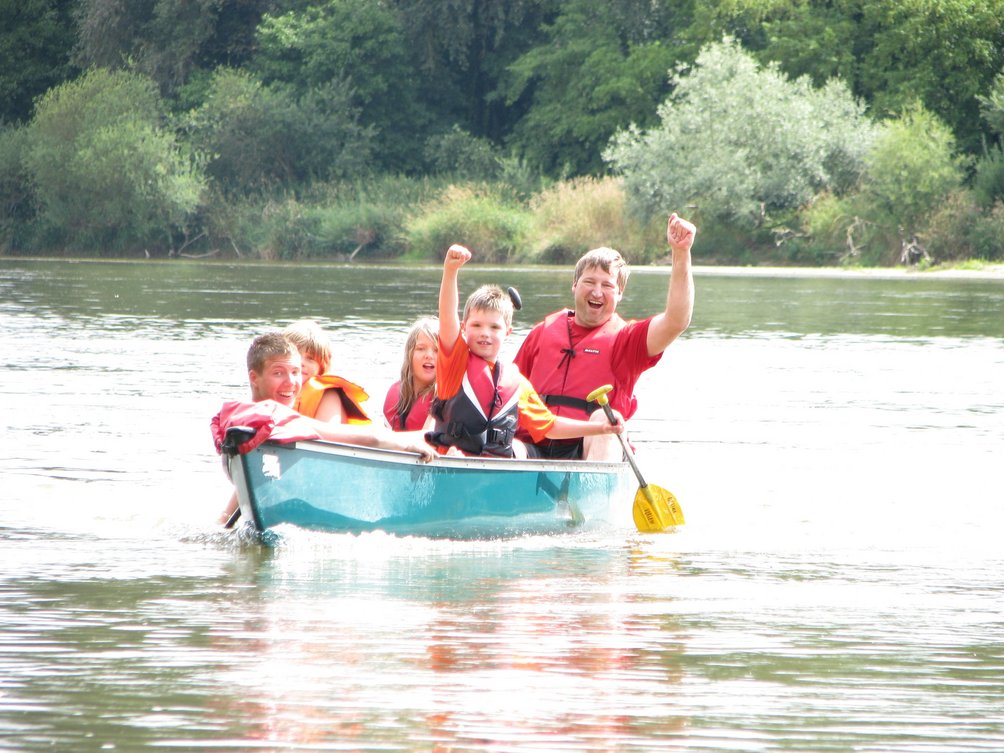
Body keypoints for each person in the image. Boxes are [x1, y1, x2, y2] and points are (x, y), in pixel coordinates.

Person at [512, 212, 696, 461]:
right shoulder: (542, 332)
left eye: (607, 285)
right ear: (575, 285)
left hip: (591, 450)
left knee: (603, 417)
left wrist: (681, 253)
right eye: (589, 282)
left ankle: (593, 497)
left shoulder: (628, 340)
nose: (597, 292)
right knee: (509, 445)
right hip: (534, 446)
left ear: (619, 293)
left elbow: (676, 320)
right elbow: (505, 389)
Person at [215, 331, 435, 524]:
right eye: (278, 372)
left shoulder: (252, 416)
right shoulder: (265, 417)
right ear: (254, 378)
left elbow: (365, 439)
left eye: (296, 372)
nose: (292, 381)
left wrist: (406, 443)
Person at [427, 244, 624, 459]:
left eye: (494, 327)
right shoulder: (455, 362)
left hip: (494, 469)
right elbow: (447, 317)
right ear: (464, 328)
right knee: (456, 454)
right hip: (454, 460)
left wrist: (600, 429)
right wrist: (450, 271)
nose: (485, 333)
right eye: (477, 326)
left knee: (516, 450)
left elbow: (549, 426)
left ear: (508, 332)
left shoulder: (515, 384)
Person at [283, 319, 371, 424]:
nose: (301, 362)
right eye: (294, 355)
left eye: (310, 358)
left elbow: (327, 434)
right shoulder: (274, 389)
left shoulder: (329, 395)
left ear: (321, 367)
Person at [383, 317, 439, 431]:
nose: (429, 355)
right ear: (409, 355)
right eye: (421, 348)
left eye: (436, 350)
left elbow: (427, 438)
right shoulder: (396, 392)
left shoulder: (444, 399)